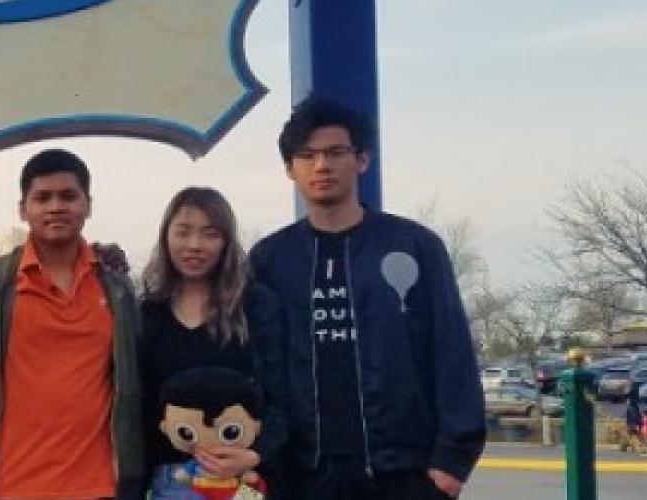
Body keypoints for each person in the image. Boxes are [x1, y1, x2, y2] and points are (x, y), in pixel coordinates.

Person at [249, 98, 484, 500]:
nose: (322, 165)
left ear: (362, 159)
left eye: (336, 152)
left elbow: (452, 352)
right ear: (290, 168)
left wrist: (451, 462)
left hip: (404, 473)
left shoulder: (414, 247)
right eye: (307, 155)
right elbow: (255, 364)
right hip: (300, 475)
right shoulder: (270, 259)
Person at [0, 149, 148, 499]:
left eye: (69, 196)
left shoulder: (115, 284)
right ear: (23, 209)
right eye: (42, 198)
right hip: (13, 485)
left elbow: (133, 380)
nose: (56, 206)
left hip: (101, 487)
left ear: (88, 205)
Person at [127, 187, 290, 500]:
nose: (195, 245)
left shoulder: (256, 305)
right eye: (183, 232)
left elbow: (281, 398)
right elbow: (141, 409)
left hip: (245, 480)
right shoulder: (149, 313)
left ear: (227, 242)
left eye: (210, 234)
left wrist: (256, 454)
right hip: (170, 482)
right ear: (166, 237)